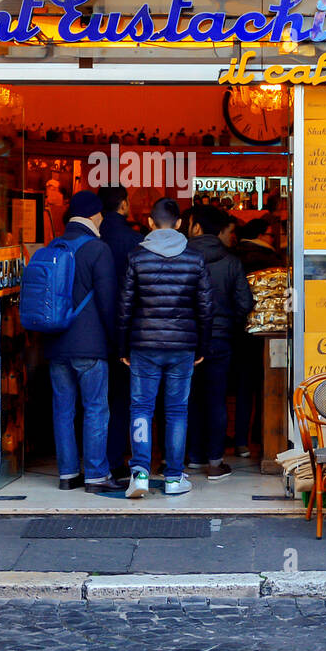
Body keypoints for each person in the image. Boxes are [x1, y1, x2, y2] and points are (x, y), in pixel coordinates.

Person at [117, 197, 215, 498]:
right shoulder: (195, 259)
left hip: (143, 345)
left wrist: (123, 347)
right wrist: (202, 346)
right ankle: (173, 478)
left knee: (142, 408)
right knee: (176, 411)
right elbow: (206, 308)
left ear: (149, 223)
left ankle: (141, 474)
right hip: (182, 345)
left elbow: (125, 307)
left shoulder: (136, 257)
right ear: (180, 223)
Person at [40, 191, 127, 493]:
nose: (103, 219)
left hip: (55, 344)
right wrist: (117, 343)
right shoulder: (97, 249)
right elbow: (107, 302)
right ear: (93, 215)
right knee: (95, 410)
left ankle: (67, 474)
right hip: (89, 346)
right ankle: (95, 475)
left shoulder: (53, 246)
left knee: (63, 410)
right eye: (101, 214)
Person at [186, 206, 253, 479]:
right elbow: (245, 303)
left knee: (187, 399)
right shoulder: (231, 260)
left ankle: (191, 457)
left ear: (197, 227)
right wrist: (228, 324)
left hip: (188, 339)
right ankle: (215, 463)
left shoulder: (182, 257)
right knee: (216, 399)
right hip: (220, 339)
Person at [97, 184, 142, 479]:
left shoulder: (93, 238)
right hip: (127, 330)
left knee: (92, 401)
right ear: (124, 205)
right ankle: (116, 458)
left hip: (92, 329)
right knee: (123, 399)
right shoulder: (135, 240)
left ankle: (94, 461)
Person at [230, 218, 285, 457]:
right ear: (263, 236)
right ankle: (264, 439)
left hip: (237, 333)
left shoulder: (232, 258)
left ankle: (241, 441)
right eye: (272, 235)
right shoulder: (273, 262)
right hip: (269, 334)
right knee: (269, 387)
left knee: (243, 387)